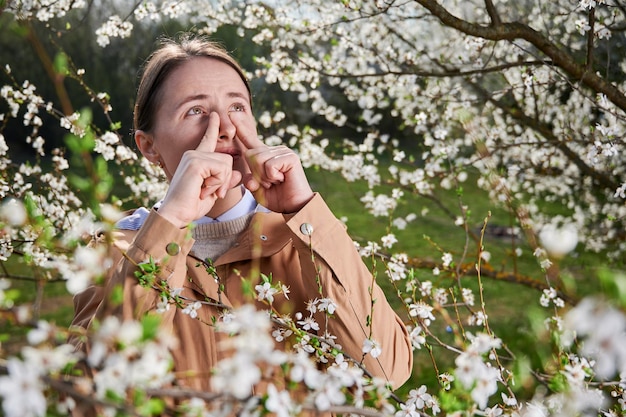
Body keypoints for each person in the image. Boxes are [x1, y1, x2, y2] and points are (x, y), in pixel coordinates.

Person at [70, 33, 413, 412]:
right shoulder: (113, 251)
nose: (225, 129)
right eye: (195, 111)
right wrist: (170, 223)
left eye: (237, 107)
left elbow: (384, 373)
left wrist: (305, 210)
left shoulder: (301, 237)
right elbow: (91, 401)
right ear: (149, 146)